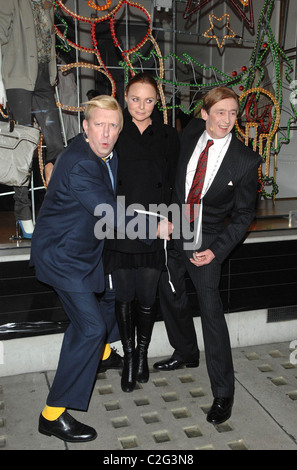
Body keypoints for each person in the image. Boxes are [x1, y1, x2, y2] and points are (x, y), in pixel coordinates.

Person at [30, 95, 172, 443]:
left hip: (84, 249)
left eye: (112, 126)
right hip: (63, 257)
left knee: (112, 297)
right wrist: (155, 228)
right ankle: (52, 414)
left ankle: (106, 352)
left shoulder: (106, 154)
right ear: (85, 127)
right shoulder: (81, 162)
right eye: (98, 125)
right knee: (91, 328)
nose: (105, 133)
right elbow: (109, 212)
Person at [155, 87, 261, 425]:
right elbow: (177, 182)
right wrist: (168, 218)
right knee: (169, 291)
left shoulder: (245, 160)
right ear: (205, 114)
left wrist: (215, 250)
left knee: (211, 313)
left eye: (233, 113)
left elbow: (245, 215)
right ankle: (186, 353)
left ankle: (223, 392)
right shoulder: (190, 134)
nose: (227, 120)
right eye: (220, 113)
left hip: (208, 241)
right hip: (176, 232)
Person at [104, 72, 180, 393]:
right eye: (135, 99)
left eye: (149, 100)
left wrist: (171, 220)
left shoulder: (168, 136)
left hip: (155, 225)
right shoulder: (114, 132)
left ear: (156, 101)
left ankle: (143, 355)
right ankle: (130, 355)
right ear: (125, 97)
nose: (141, 106)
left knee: (147, 299)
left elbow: (175, 183)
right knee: (124, 298)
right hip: (120, 225)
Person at [0, 0, 64, 238]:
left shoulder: (47, 4)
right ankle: (23, 213)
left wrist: (52, 74)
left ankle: (56, 208)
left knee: (56, 144)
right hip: (17, 79)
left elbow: (47, 42)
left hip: (42, 81)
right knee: (22, 148)